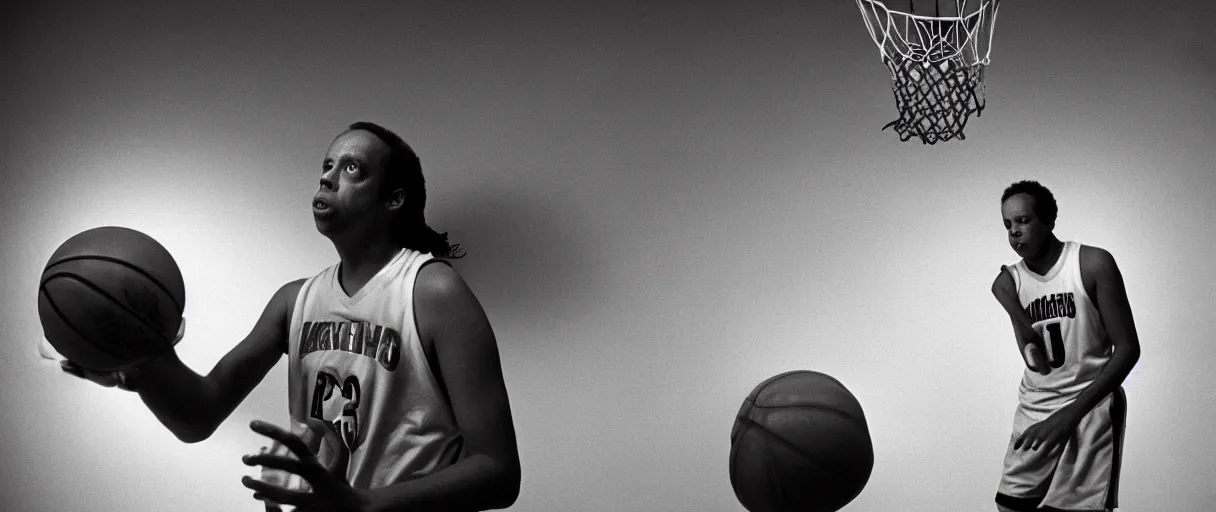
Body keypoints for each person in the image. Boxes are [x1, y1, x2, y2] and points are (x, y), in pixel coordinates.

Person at [62, 122, 522, 512]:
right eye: (326, 165)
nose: (327, 178)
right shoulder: (294, 301)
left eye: (352, 168)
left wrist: (363, 505)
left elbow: (499, 472)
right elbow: (199, 414)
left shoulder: (432, 291)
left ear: (393, 199)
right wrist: (142, 365)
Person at [988, 180, 1141, 512]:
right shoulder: (1009, 282)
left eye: (1023, 221)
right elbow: (1037, 361)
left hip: (1090, 405)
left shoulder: (1092, 263)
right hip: (1036, 407)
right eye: (1007, 225)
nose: (1014, 232)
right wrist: (1011, 305)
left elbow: (1128, 349)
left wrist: (1071, 414)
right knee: (1011, 506)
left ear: (1048, 221)